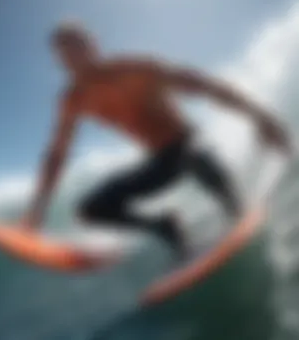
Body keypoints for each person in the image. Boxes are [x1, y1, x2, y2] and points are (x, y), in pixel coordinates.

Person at [21, 20, 290, 256]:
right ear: (59, 59)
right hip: (161, 161)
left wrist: (259, 117)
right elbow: (57, 154)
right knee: (91, 210)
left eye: (76, 45)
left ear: (93, 45)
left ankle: (236, 210)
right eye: (63, 51)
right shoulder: (73, 99)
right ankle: (165, 227)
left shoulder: (135, 69)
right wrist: (38, 209)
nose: (71, 55)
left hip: (189, 144)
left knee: (196, 159)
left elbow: (202, 84)